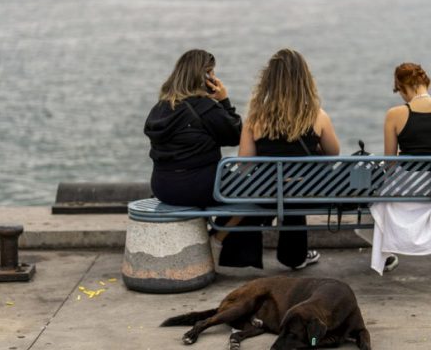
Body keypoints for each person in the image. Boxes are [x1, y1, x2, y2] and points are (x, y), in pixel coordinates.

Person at [359, 62, 431, 274]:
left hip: (407, 188)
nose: (402, 97)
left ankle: (387, 254)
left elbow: (390, 164)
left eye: (400, 92)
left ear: (402, 87)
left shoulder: (395, 115)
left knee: (373, 205)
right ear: (426, 82)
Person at [230, 48, 341, 270]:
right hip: (307, 191)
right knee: (295, 190)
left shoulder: (255, 118)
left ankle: (292, 255)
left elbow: (244, 163)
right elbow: (334, 152)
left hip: (267, 192)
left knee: (283, 189)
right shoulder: (317, 115)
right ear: (304, 79)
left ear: (268, 81)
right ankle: (294, 256)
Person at [143, 49, 240, 214]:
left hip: (162, 187)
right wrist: (224, 101)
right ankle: (221, 238)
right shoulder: (205, 108)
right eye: (211, 72)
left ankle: (218, 237)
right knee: (257, 191)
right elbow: (236, 135)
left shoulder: (160, 108)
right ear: (205, 78)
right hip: (198, 188)